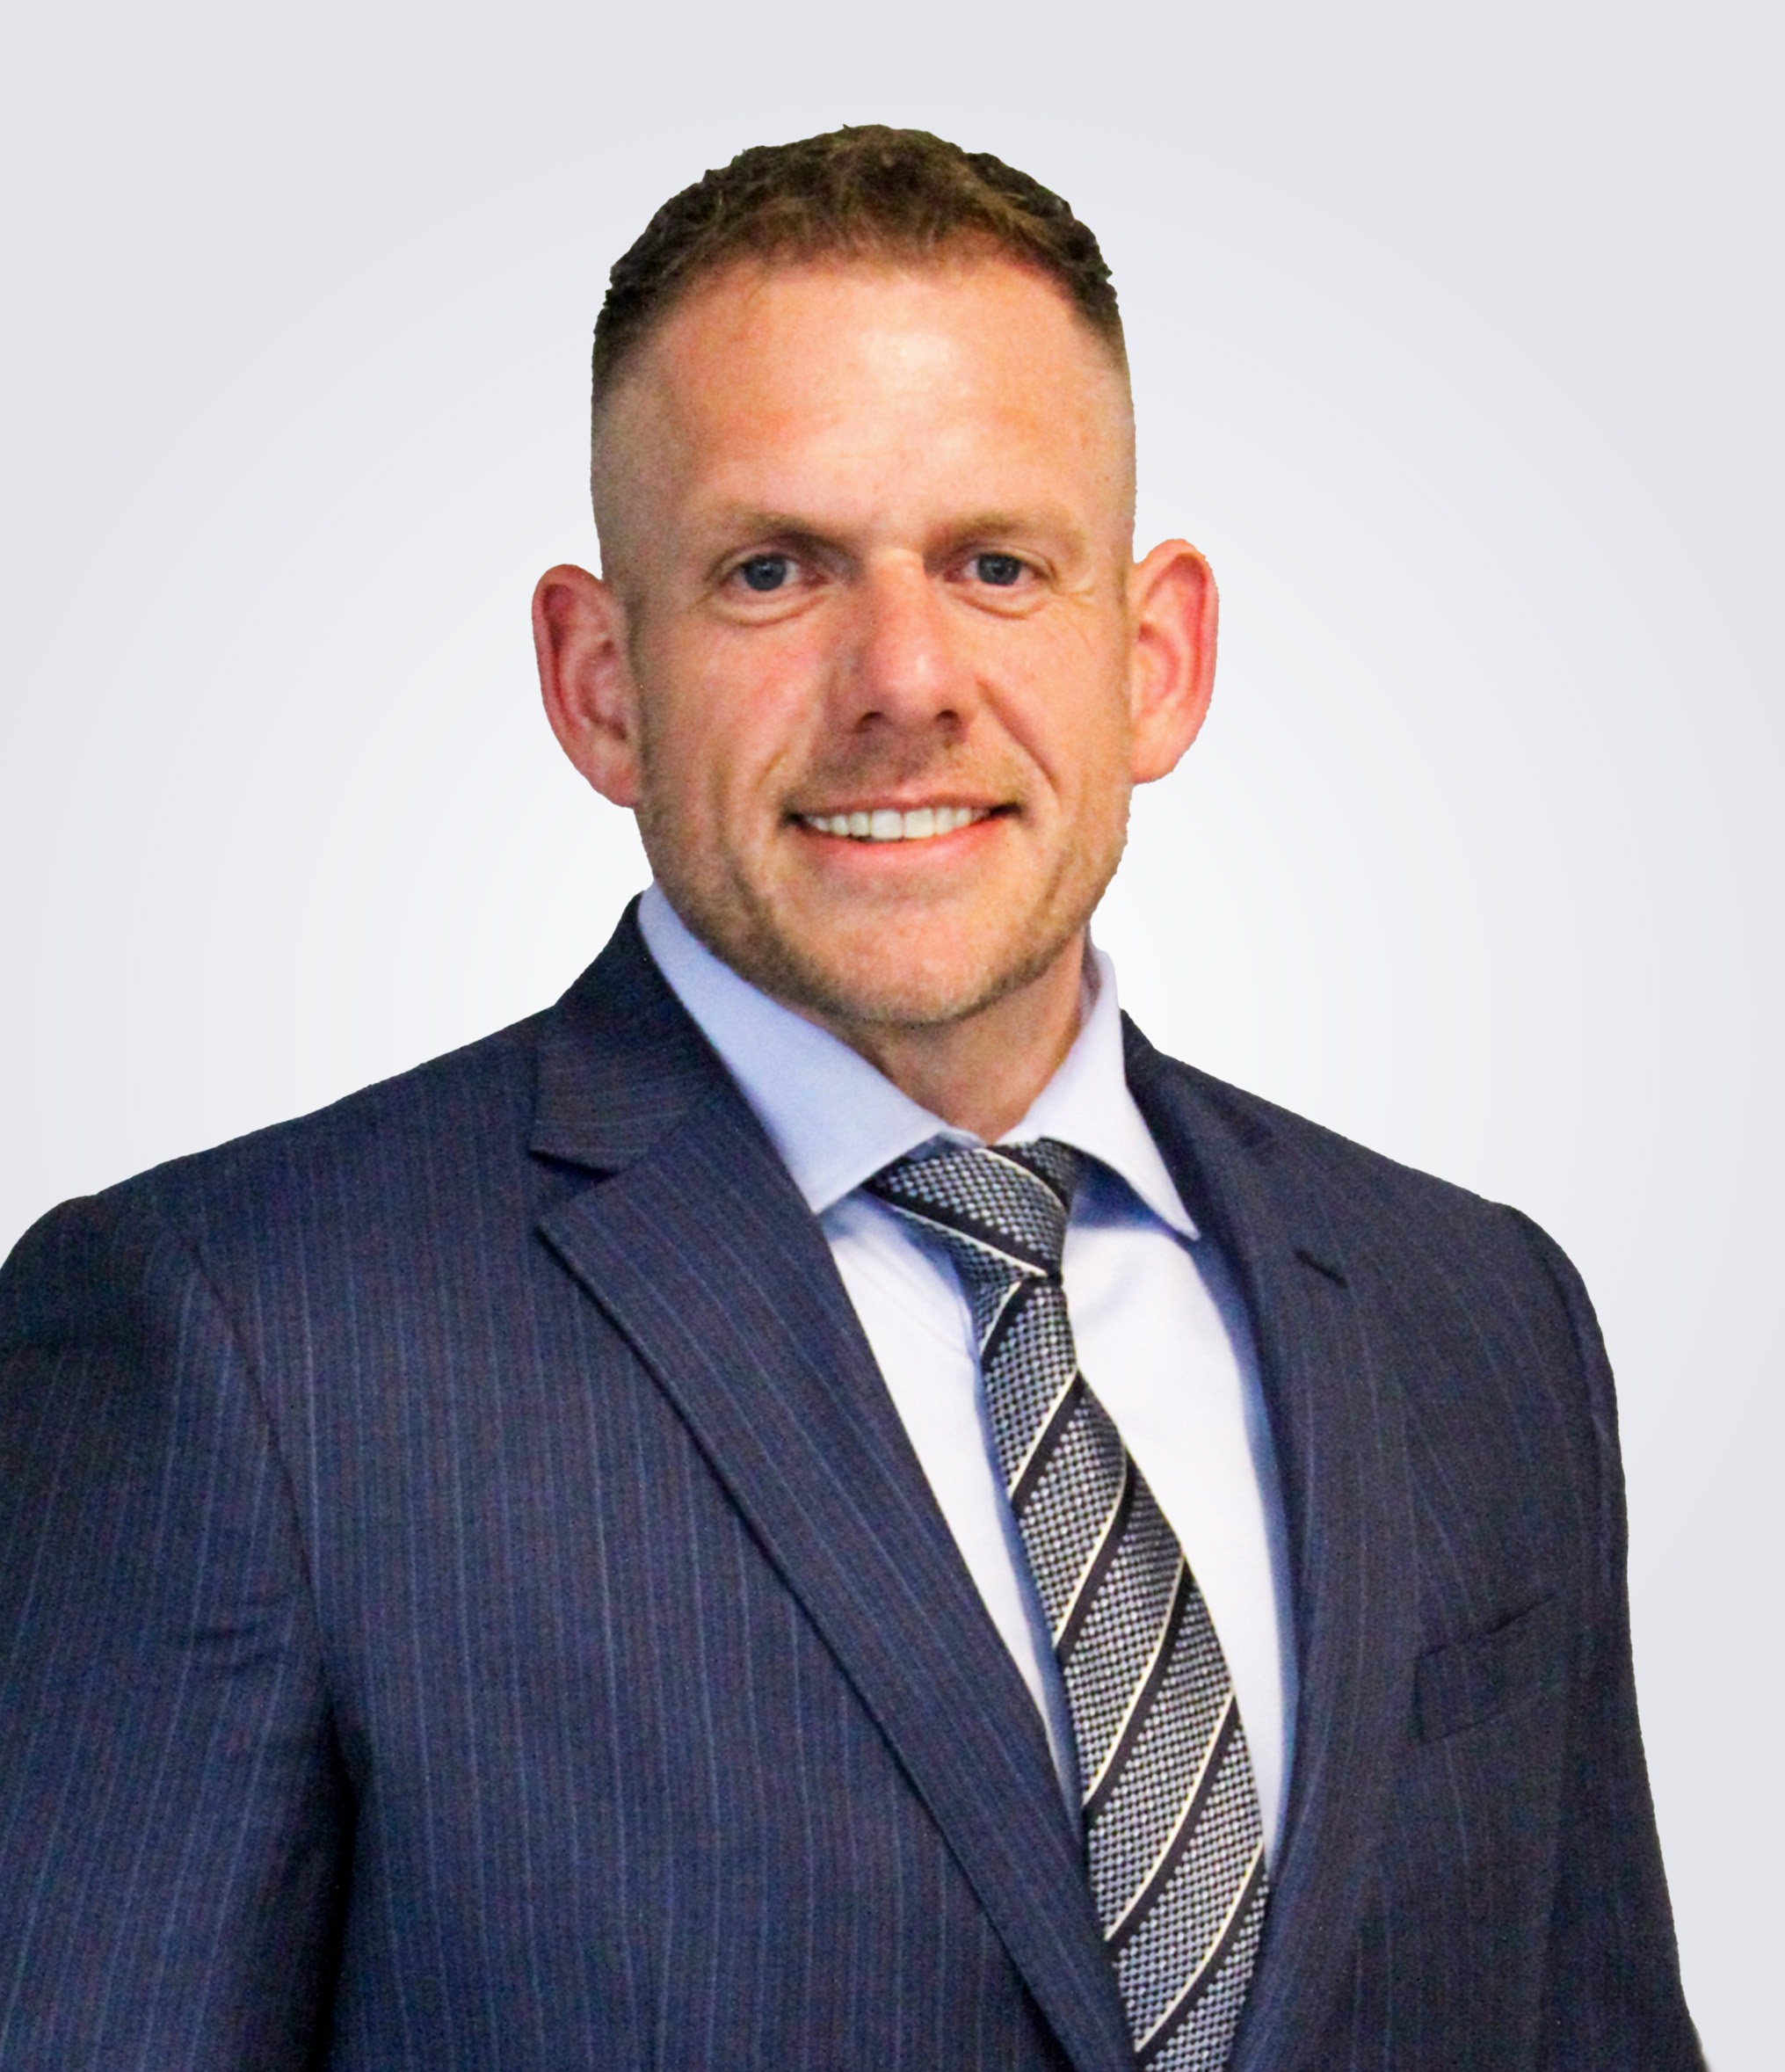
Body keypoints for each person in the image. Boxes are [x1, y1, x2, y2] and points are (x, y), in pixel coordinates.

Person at [0, 127, 1699, 2072]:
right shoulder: (232, 1341)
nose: (904, 679)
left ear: (1154, 660)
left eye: (996, 564)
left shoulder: (1477, 1317)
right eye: (771, 571)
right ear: (600, 680)